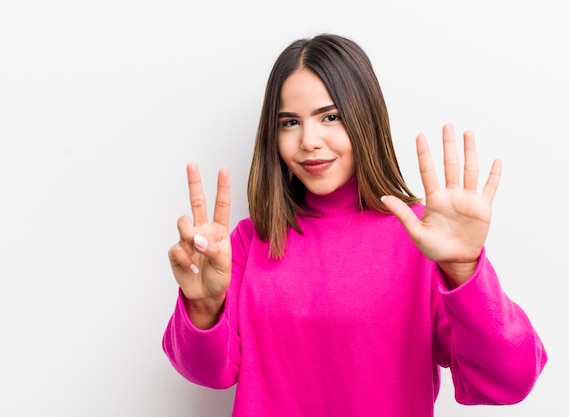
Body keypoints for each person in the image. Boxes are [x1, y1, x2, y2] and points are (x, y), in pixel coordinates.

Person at [163, 34, 547, 417]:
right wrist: (205, 306)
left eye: (330, 117)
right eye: (290, 122)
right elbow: (207, 373)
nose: (309, 141)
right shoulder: (250, 242)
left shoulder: (425, 238)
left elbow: (508, 381)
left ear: (365, 118)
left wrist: (464, 270)